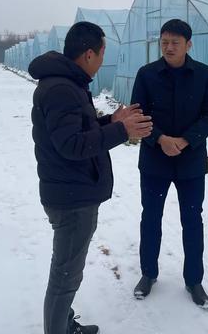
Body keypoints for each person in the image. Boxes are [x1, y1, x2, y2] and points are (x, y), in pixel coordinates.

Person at [29, 21, 152, 334]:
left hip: (71, 190)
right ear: (87, 54)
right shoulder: (61, 89)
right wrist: (122, 130)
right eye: (101, 54)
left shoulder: (67, 84)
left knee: (68, 271)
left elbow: (79, 129)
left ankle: (64, 323)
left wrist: (112, 120)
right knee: (65, 276)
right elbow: (71, 145)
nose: (102, 60)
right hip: (71, 198)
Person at [130, 19, 208, 309]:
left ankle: (194, 280)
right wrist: (159, 139)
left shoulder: (204, 75)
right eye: (164, 42)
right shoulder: (146, 75)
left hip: (190, 161)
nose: (169, 47)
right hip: (155, 161)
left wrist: (184, 140)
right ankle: (148, 274)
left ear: (188, 44)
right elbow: (137, 115)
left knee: (192, 220)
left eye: (175, 42)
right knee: (151, 217)